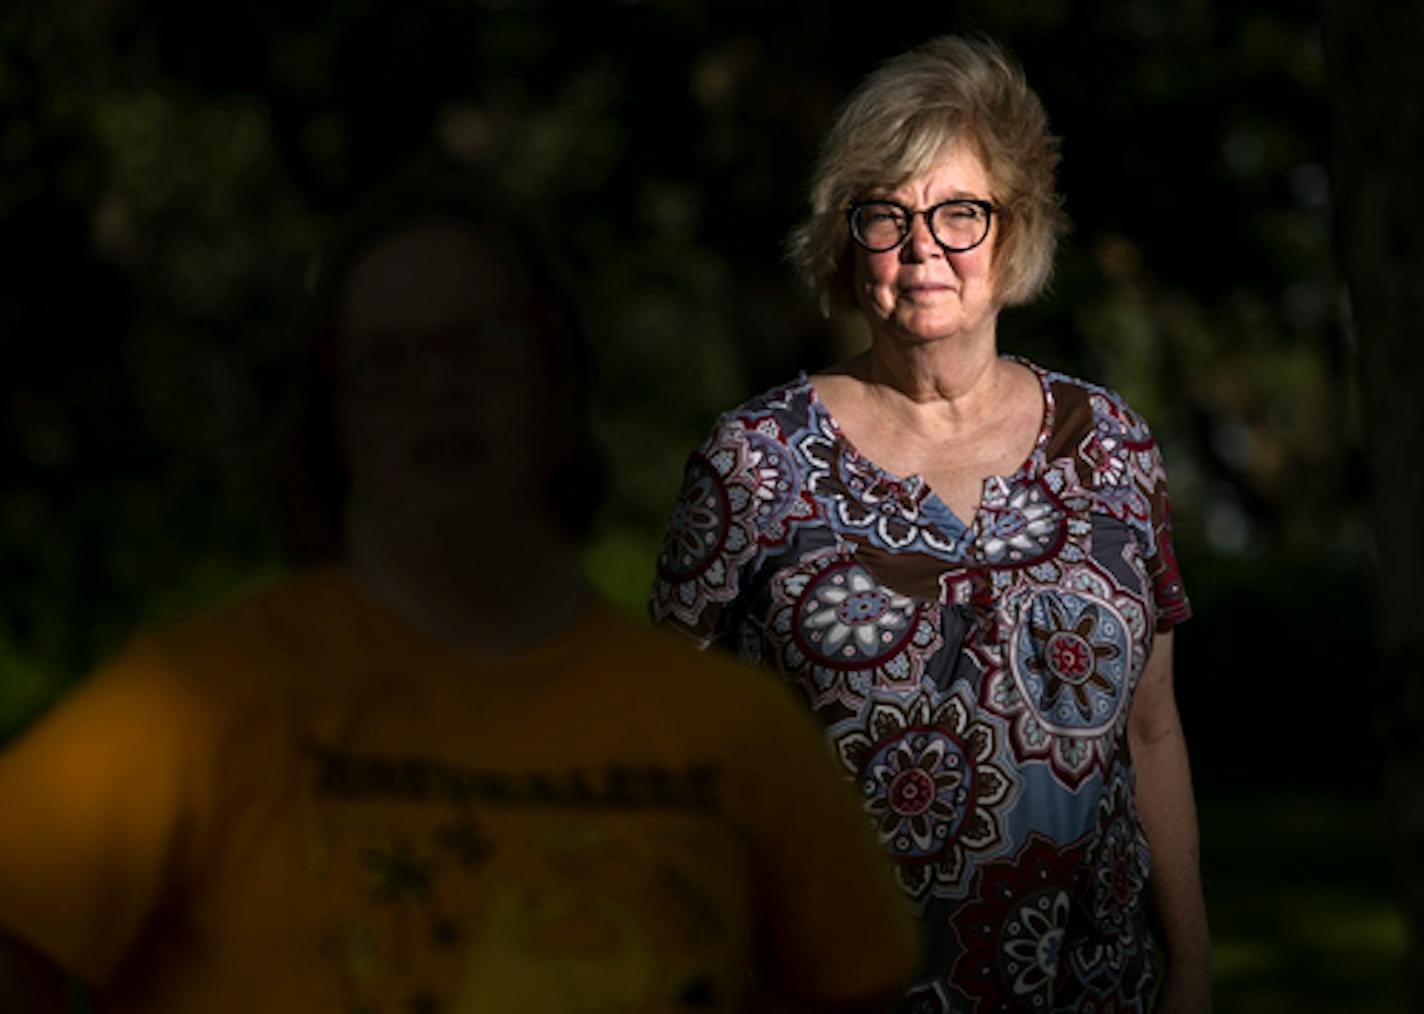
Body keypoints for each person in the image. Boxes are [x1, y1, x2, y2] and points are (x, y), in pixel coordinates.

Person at [0, 165, 919, 1013]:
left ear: (556, 379)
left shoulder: (733, 729)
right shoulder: (195, 703)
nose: (437, 389)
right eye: (388, 361)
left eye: (476, 348)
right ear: (332, 409)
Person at [649, 36, 1211, 1014]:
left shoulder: (1113, 446)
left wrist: (1191, 968)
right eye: (886, 217)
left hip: (1091, 989)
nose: (923, 251)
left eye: (959, 213)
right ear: (843, 239)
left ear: (1013, 228)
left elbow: (1152, 732)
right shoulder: (753, 461)